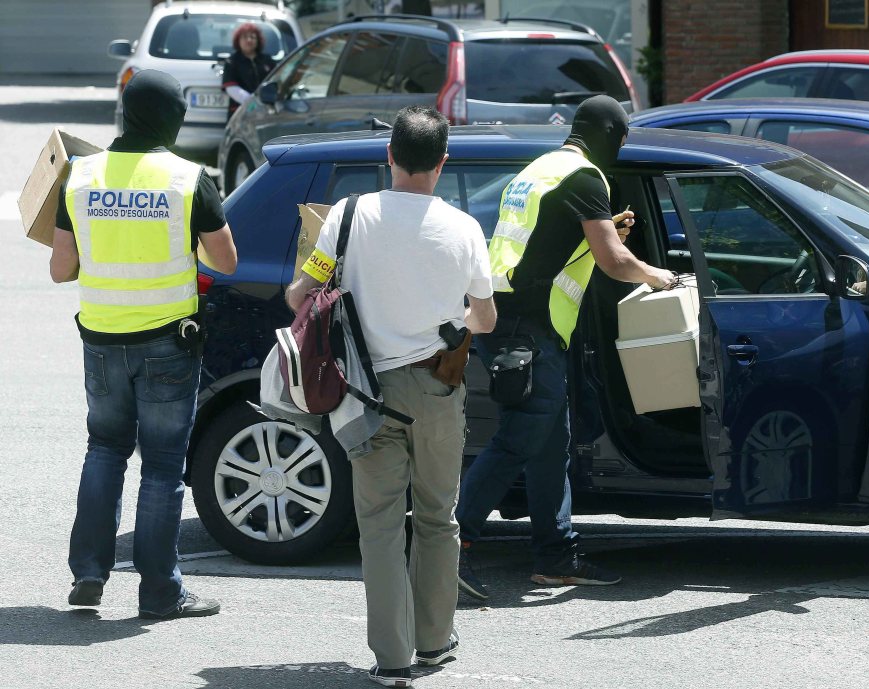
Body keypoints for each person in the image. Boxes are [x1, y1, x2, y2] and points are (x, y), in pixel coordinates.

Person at [285, 105, 496, 688]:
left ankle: (392, 656)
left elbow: (301, 293)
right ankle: (434, 641)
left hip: (365, 393)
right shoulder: (464, 228)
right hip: (436, 388)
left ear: (389, 157)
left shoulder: (347, 219)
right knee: (437, 518)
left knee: (378, 523)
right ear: (443, 161)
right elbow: (486, 317)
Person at [454, 95, 678, 601]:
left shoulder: (540, 170)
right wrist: (661, 277)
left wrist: (597, 236)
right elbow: (616, 262)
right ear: (608, 137)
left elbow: (546, 241)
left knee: (549, 443)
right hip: (528, 328)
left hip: (506, 319)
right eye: (620, 141)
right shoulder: (584, 177)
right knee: (518, 440)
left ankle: (556, 554)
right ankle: (447, 544)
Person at [50, 69, 238, 619]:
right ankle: (159, 592)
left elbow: (62, 269)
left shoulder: (79, 176)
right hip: (168, 346)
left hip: (102, 340)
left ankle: (88, 571)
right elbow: (225, 261)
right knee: (160, 466)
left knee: (104, 449)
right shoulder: (188, 178)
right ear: (173, 118)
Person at [221, 22, 275, 119]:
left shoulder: (267, 60)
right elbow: (232, 89)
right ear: (238, 41)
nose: (249, 40)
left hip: (266, 113)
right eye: (245, 37)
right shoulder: (232, 62)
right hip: (240, 114)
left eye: (253, 37)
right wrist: (254, 105)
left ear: (258, 41)